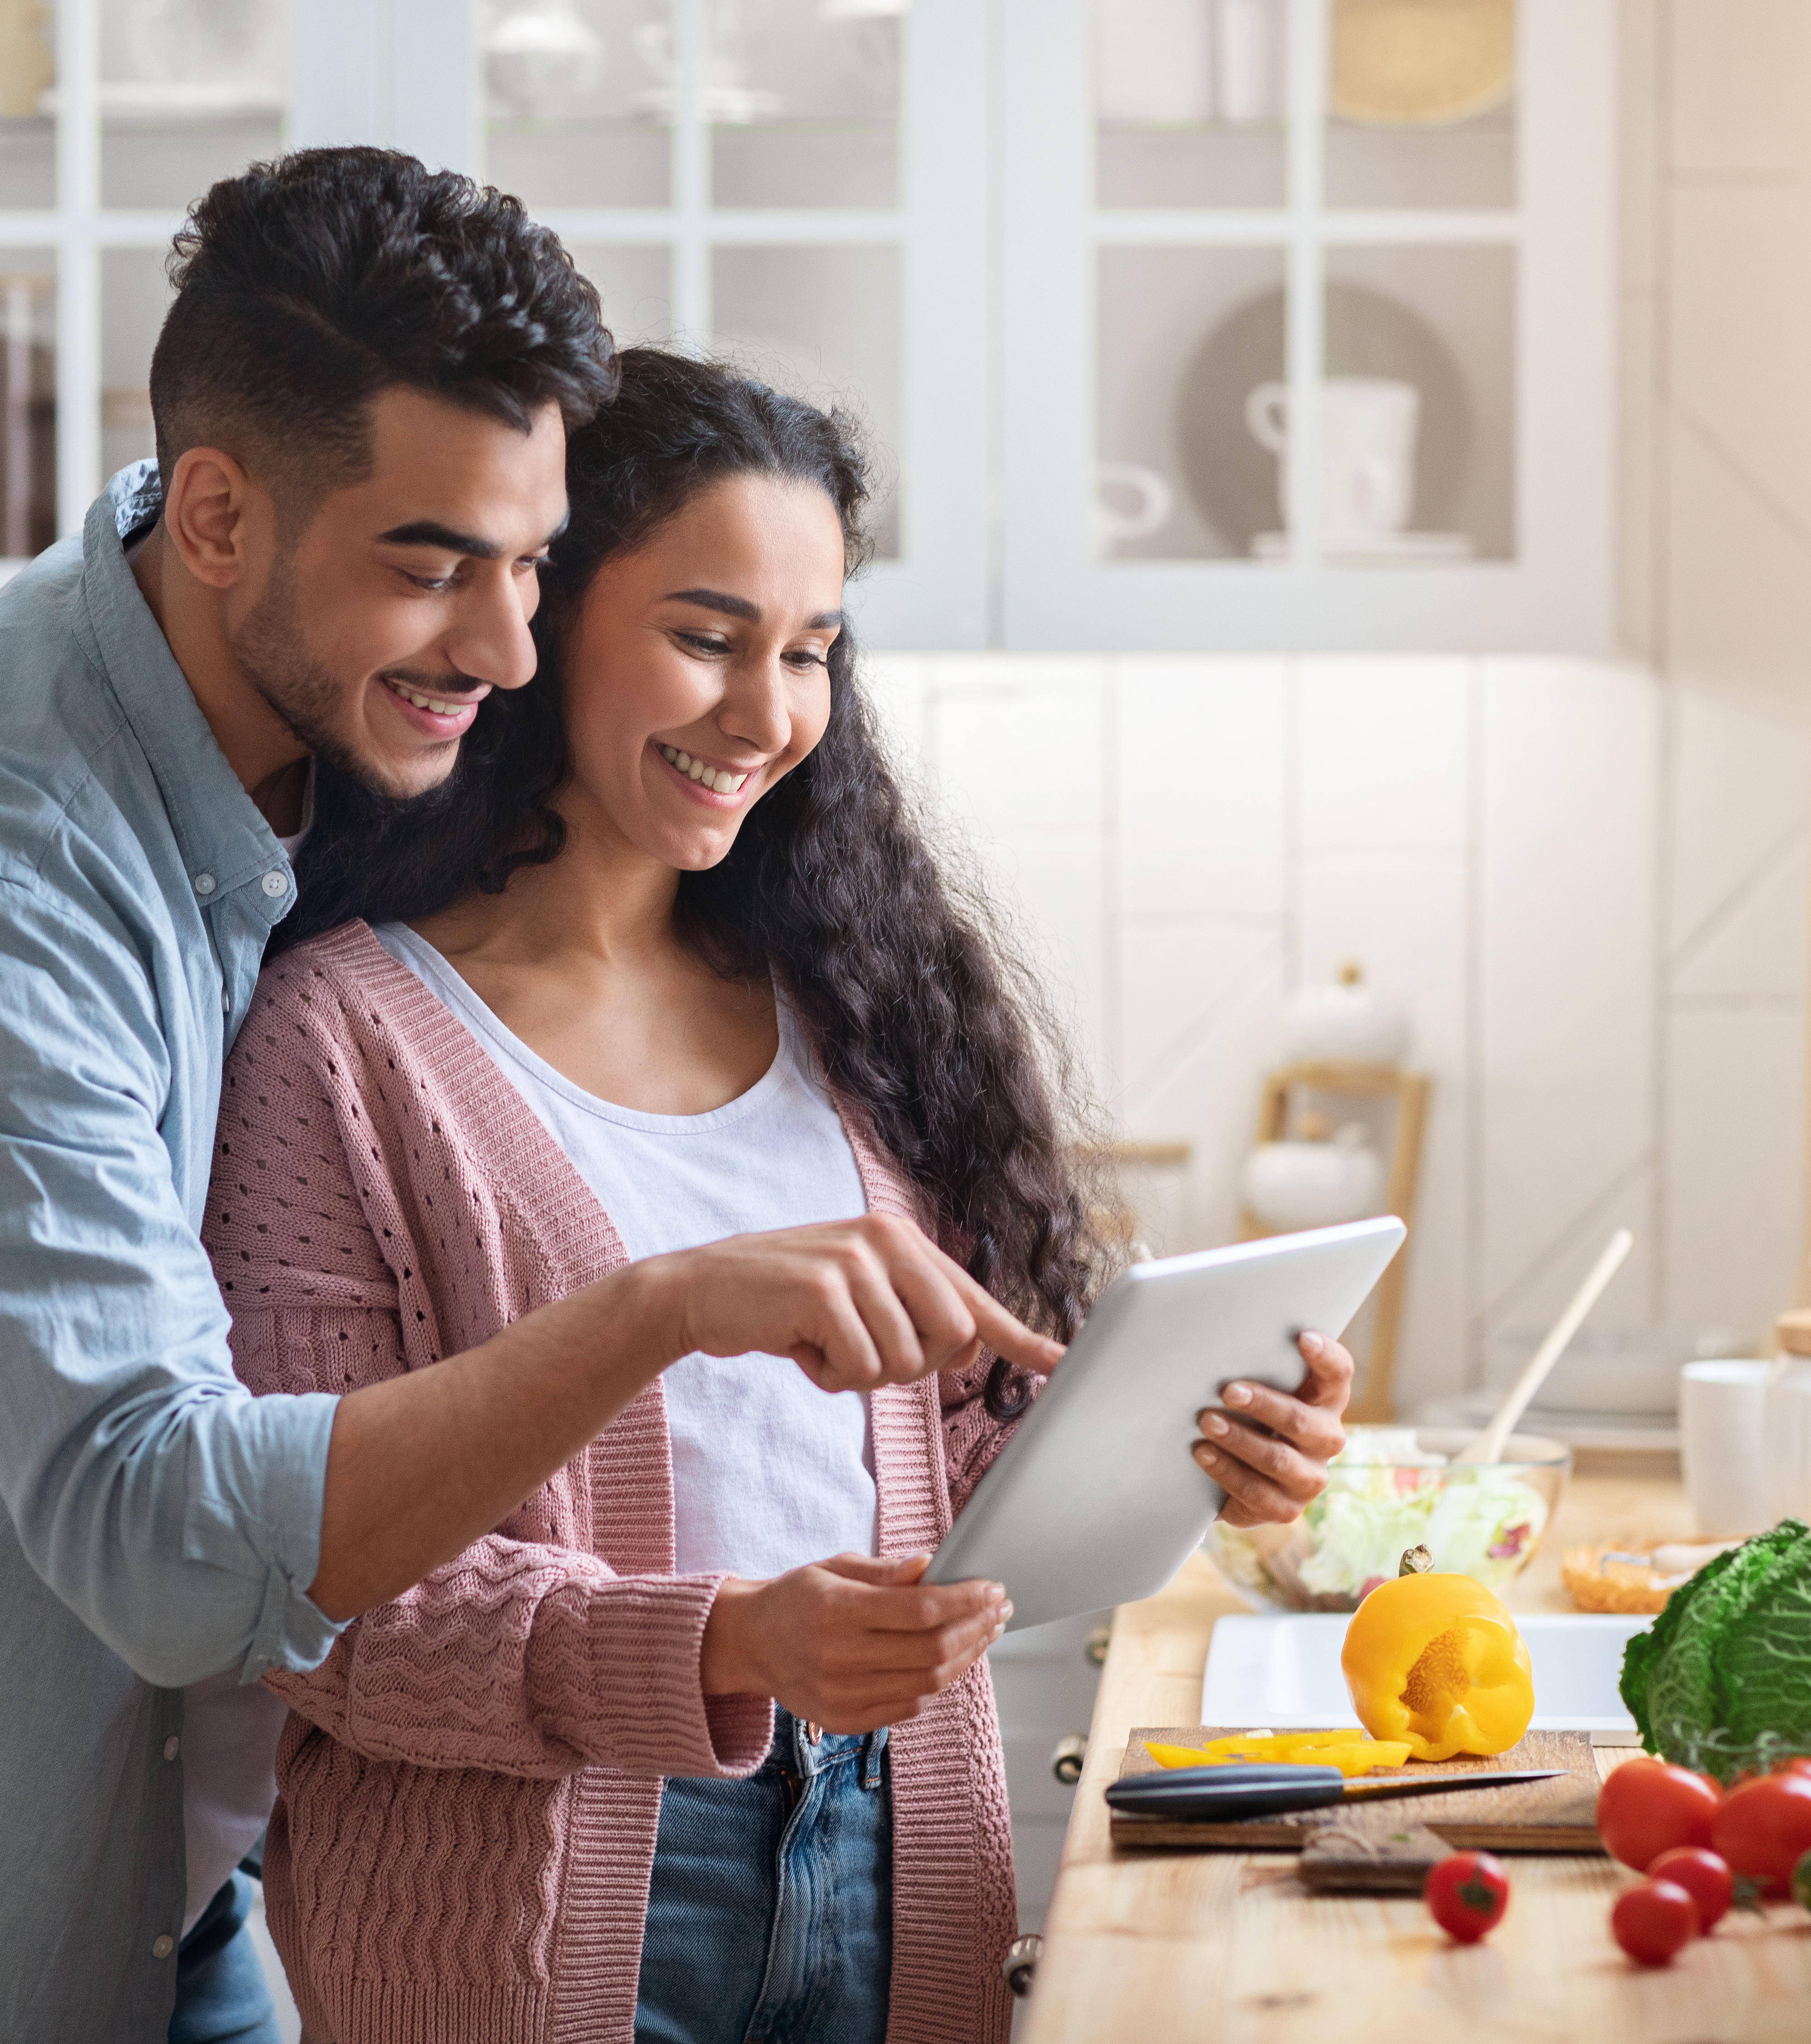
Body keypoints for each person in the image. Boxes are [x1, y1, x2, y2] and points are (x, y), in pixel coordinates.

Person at [0, 153, 1056, 2044]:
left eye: (530, 565)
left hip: (167, 1889)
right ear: (215, 514)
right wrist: (665, 1304)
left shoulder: (297, 700)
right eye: (434, 565)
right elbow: (170, 1531)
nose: (504, 651)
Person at [208, 349, 1354, 2044]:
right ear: (541, 620)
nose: (767, 714)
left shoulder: (849, 1010)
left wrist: (1191, 1448)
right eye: (707, 634)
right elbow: (310, 1599)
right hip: (534, 1909)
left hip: (899, 1829)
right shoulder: (344, 1044)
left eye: (810, 653)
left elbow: (957, 1474)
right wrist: (734, 1643)